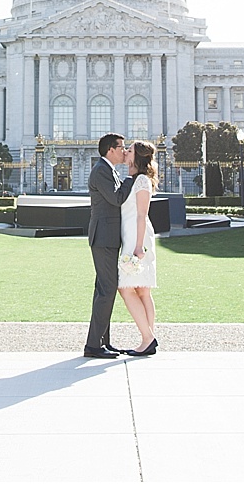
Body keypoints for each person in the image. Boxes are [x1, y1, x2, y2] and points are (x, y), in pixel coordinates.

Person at [83, 132, 134, 359]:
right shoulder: (101, 171)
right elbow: (116, 198)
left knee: (104, 290)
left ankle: (103, 341)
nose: (124, 151)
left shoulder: (108, 170)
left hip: (108, 237)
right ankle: (93, 345)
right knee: (107, 290)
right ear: (110, 150)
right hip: (103, 237)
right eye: (121, 148)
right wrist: (133, 178)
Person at [117, 140, 159, 356]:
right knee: (142, 290)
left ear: (137, 157)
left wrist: (138, 247)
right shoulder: (134, 180)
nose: (125, 152)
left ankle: (147, 337)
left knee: (126, 288)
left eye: (130, 150)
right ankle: (148, 338)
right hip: (132, 236)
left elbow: (142, 215)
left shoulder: (142, 180)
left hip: (137, 238)